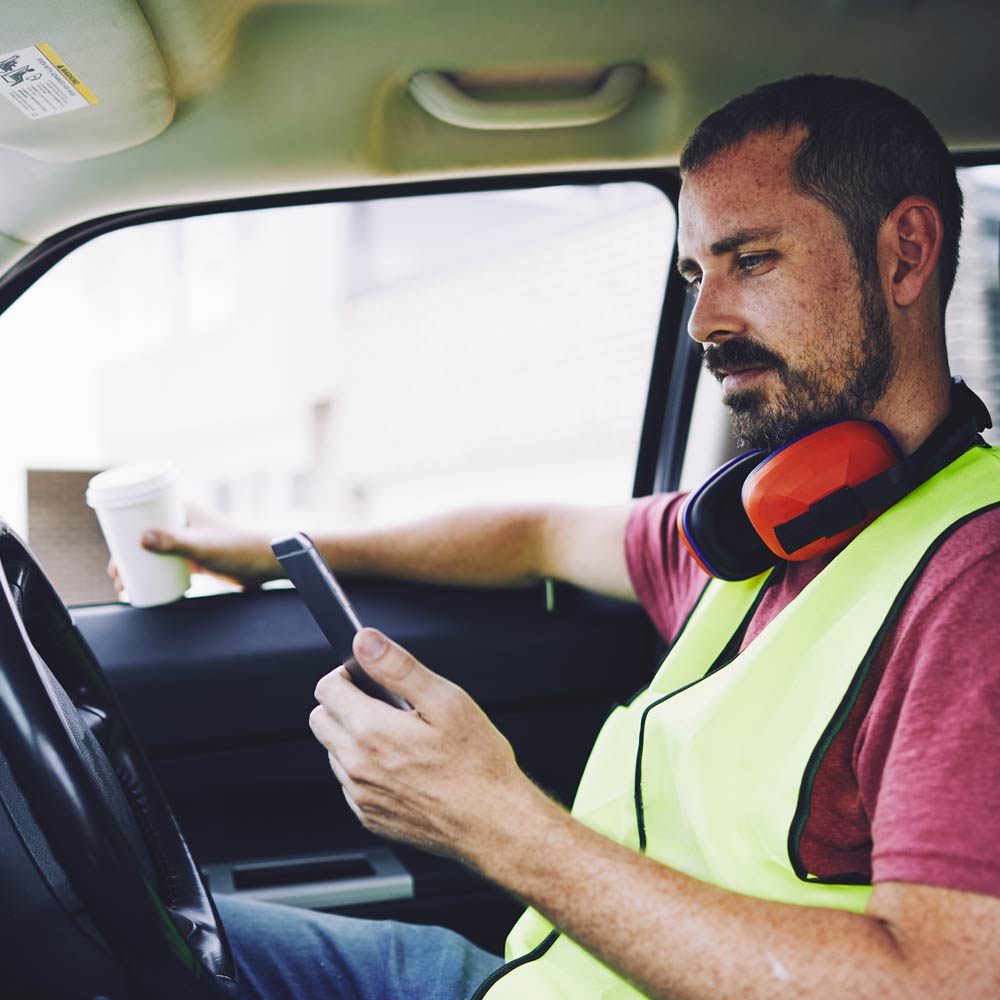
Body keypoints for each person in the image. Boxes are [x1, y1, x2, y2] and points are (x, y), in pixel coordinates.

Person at [114, 75, 1000, 999]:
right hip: (527, 980)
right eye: (697, 275)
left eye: (753, 260)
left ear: (905, 255)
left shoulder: (976, 585)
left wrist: (493, 820)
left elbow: (946, 984)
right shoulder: (763, 529)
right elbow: (531, 532)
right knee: (127, 929)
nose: (704, 320)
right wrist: (269, 545)